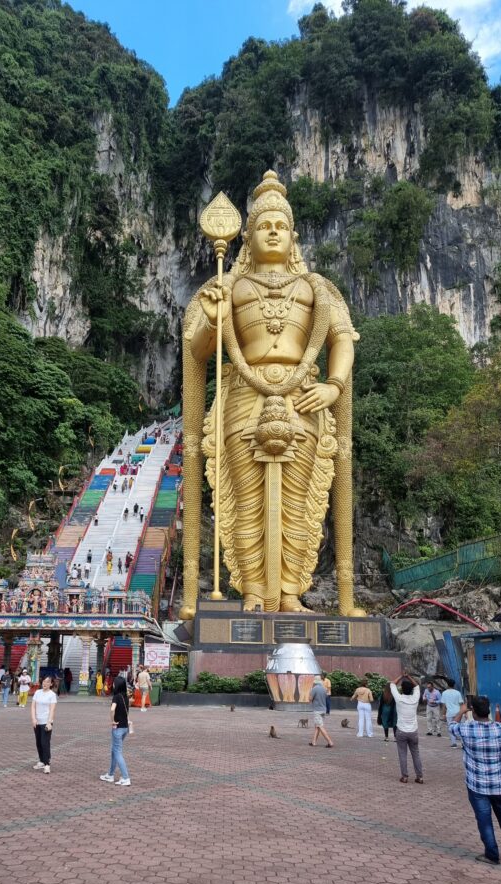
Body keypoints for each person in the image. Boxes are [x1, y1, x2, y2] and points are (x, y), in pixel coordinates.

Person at [180, 170, 362, 620]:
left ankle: (290, 594)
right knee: (247, 501)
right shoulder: (229, 286)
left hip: (304, 397)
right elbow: (198, 350)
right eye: (265, 225)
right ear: (247, 236)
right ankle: (254, 594)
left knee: (298, 505)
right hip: (244, 395)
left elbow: (342, 340)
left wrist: (332, 385)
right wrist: (211, 317)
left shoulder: (316, 288)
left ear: (294, 235)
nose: (274, 232)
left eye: (281, 225)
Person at [450, 696, 501, 864]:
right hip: (500, 783)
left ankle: (492, 853)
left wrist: (461, 710)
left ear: (472, 711)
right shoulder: (500, 729)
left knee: (484, 819)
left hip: (478, 784)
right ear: (488, 710)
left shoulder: (467, 730)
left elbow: (452, 726)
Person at [390, 676, 423, 784]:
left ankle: (404, 776)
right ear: (412, 689)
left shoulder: (399, 698)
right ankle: (420, 777)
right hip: (413, 731)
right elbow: (417, 686)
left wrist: (401, 676)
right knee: (416, 754)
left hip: (401, 731)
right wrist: (408, 676)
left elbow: (392, 683)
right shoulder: (415, 698)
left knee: (402, 754)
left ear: (402, 689)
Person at [99, 676, 132, 786]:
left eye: (114, 683)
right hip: (125, 728)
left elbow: (112, 709)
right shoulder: (125, 697)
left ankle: (126, 777)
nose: (112, 684)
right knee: (114, 750)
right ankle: (110, 774)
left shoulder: (116, 697)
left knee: (117, 752)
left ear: (117, 685)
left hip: (117, 728)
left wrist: (112, 721)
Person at [31, 675, 57, 774]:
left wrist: (49, 722)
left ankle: (47, 764)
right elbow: (33, 706)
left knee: (44, 743)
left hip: (46, 722)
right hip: (37, 721)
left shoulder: (52, 695)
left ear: (51, 684)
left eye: (47, 682)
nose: (45, 684)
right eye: (44, 681)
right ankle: (41, 761)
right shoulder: (37, 692)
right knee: (38, 742)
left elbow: (52, 710)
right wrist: (33, 719)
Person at [308, 676, 334, 748]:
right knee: (317, 726)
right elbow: (326, 696)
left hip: (317, 710)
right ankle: (314, 742)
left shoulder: (314, 689)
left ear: (315, 682)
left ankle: (330, 742)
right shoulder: (324, 689)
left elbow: (310, 699)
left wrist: (310, 694)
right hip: (323, 709)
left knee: (320, 726)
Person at [440, 681, 465, 747]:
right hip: (458, 712)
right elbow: (461, 703)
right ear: (454, 685)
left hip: (449, 713)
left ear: (447, 684)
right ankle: (463, 743)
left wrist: (443, 714)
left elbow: (444, 705)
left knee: (450, 728)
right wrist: (463, 712)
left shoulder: (444, 693)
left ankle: (454, 743)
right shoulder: (457, 692)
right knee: (460, 728)